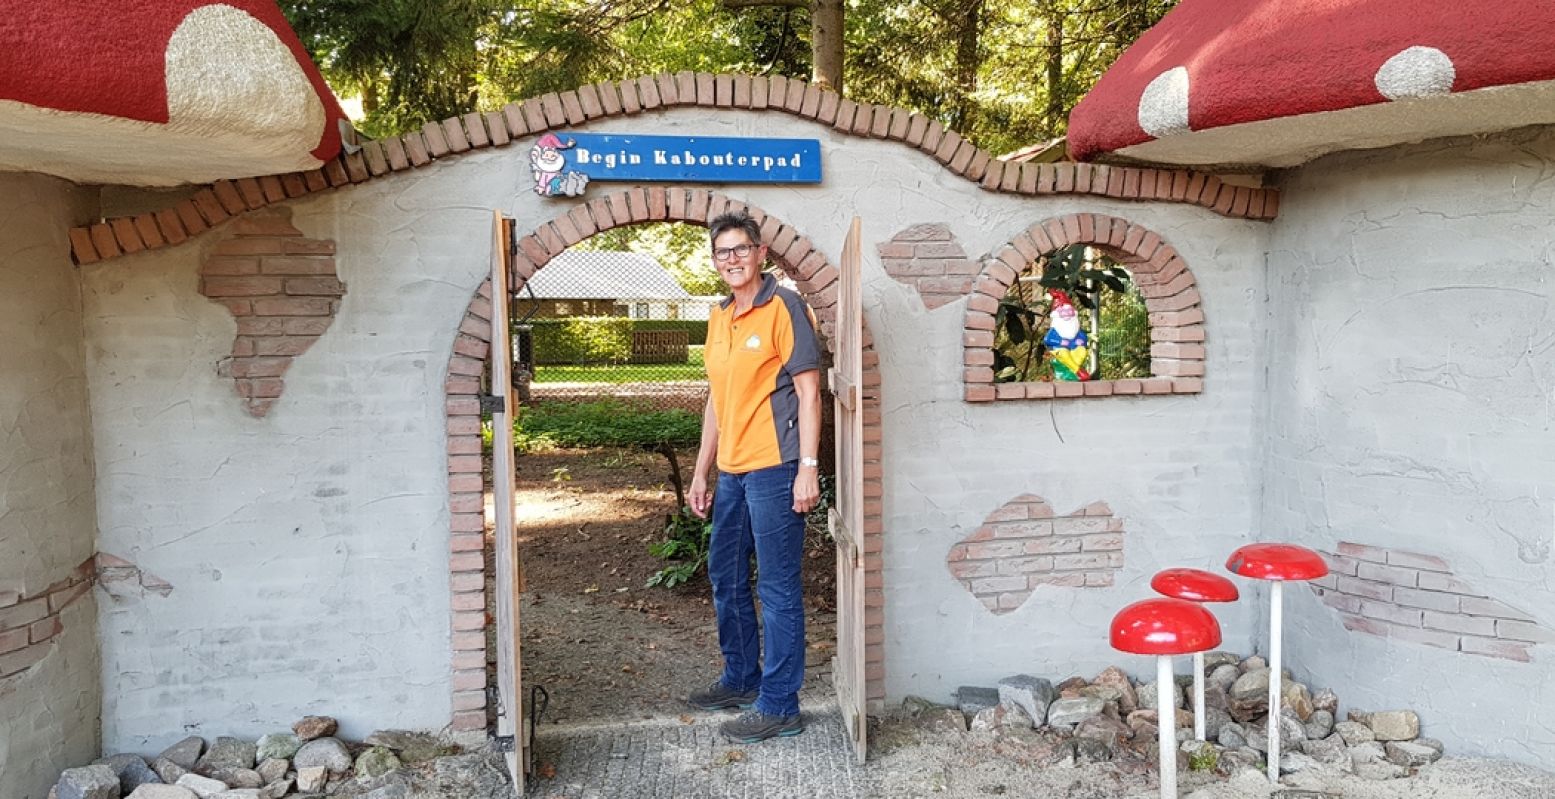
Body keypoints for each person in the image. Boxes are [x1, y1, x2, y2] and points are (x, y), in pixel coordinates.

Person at [686, 210, 822, 744]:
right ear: (715, 261)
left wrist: (807, 469)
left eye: (742, 249)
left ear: (761, 253)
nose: (733, 260)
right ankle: (741, 678)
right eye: (723, 252)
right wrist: (702, 472)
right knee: (724, 576)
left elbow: (810, 392)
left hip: (775, 467)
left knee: (778, 586)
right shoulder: (720, 316)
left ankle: (780, 703)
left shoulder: (783, 306)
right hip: (732, 473)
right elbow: (717, 401)